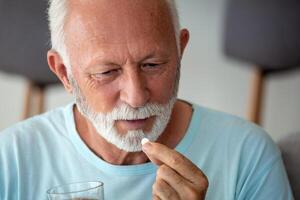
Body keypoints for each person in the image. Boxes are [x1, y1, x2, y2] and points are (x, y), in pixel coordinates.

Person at [0, 0, 294, 199]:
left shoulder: (248, 155)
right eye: (107, 72)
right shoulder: (10, 161)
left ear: (180, 50)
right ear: (64, 73)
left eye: (152, 65)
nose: (136, 96)